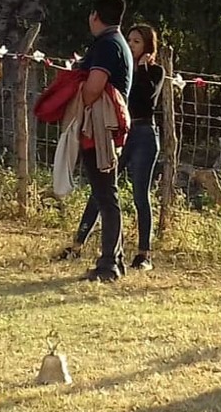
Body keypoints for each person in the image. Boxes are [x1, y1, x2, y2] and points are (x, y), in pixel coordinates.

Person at [59, 22, 162, 272]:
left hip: (144, 134)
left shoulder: (155, 72)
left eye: (137, 41)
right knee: (101, 189)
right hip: (119, 131)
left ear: (148, 47)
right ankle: (77, 244)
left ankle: (143, 253)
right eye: (129, 40)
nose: (131, 45)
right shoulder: (121, 68)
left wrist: (142, 69)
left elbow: (146, 98)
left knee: (140, 195)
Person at [70, 0, 134, 282]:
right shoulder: (115, 43)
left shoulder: (107, 45)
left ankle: (109, 263)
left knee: (106, 196)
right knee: (104, 194)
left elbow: (94, 87)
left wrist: (75, 104)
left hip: (99, 129)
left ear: (94, 15)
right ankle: (112, 259)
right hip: (105, 129)